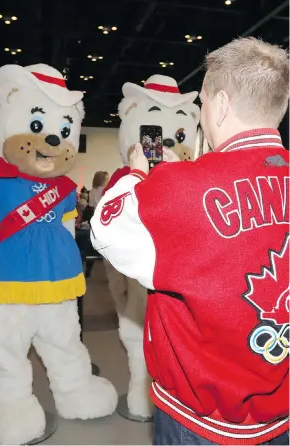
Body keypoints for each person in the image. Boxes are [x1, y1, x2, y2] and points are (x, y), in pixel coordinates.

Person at [90, 37, 289, 445]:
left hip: (199, 418)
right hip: (280, 409)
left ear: (220, 104)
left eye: (201, 107)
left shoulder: (177, 188)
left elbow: (105, 230)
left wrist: (136, 174)